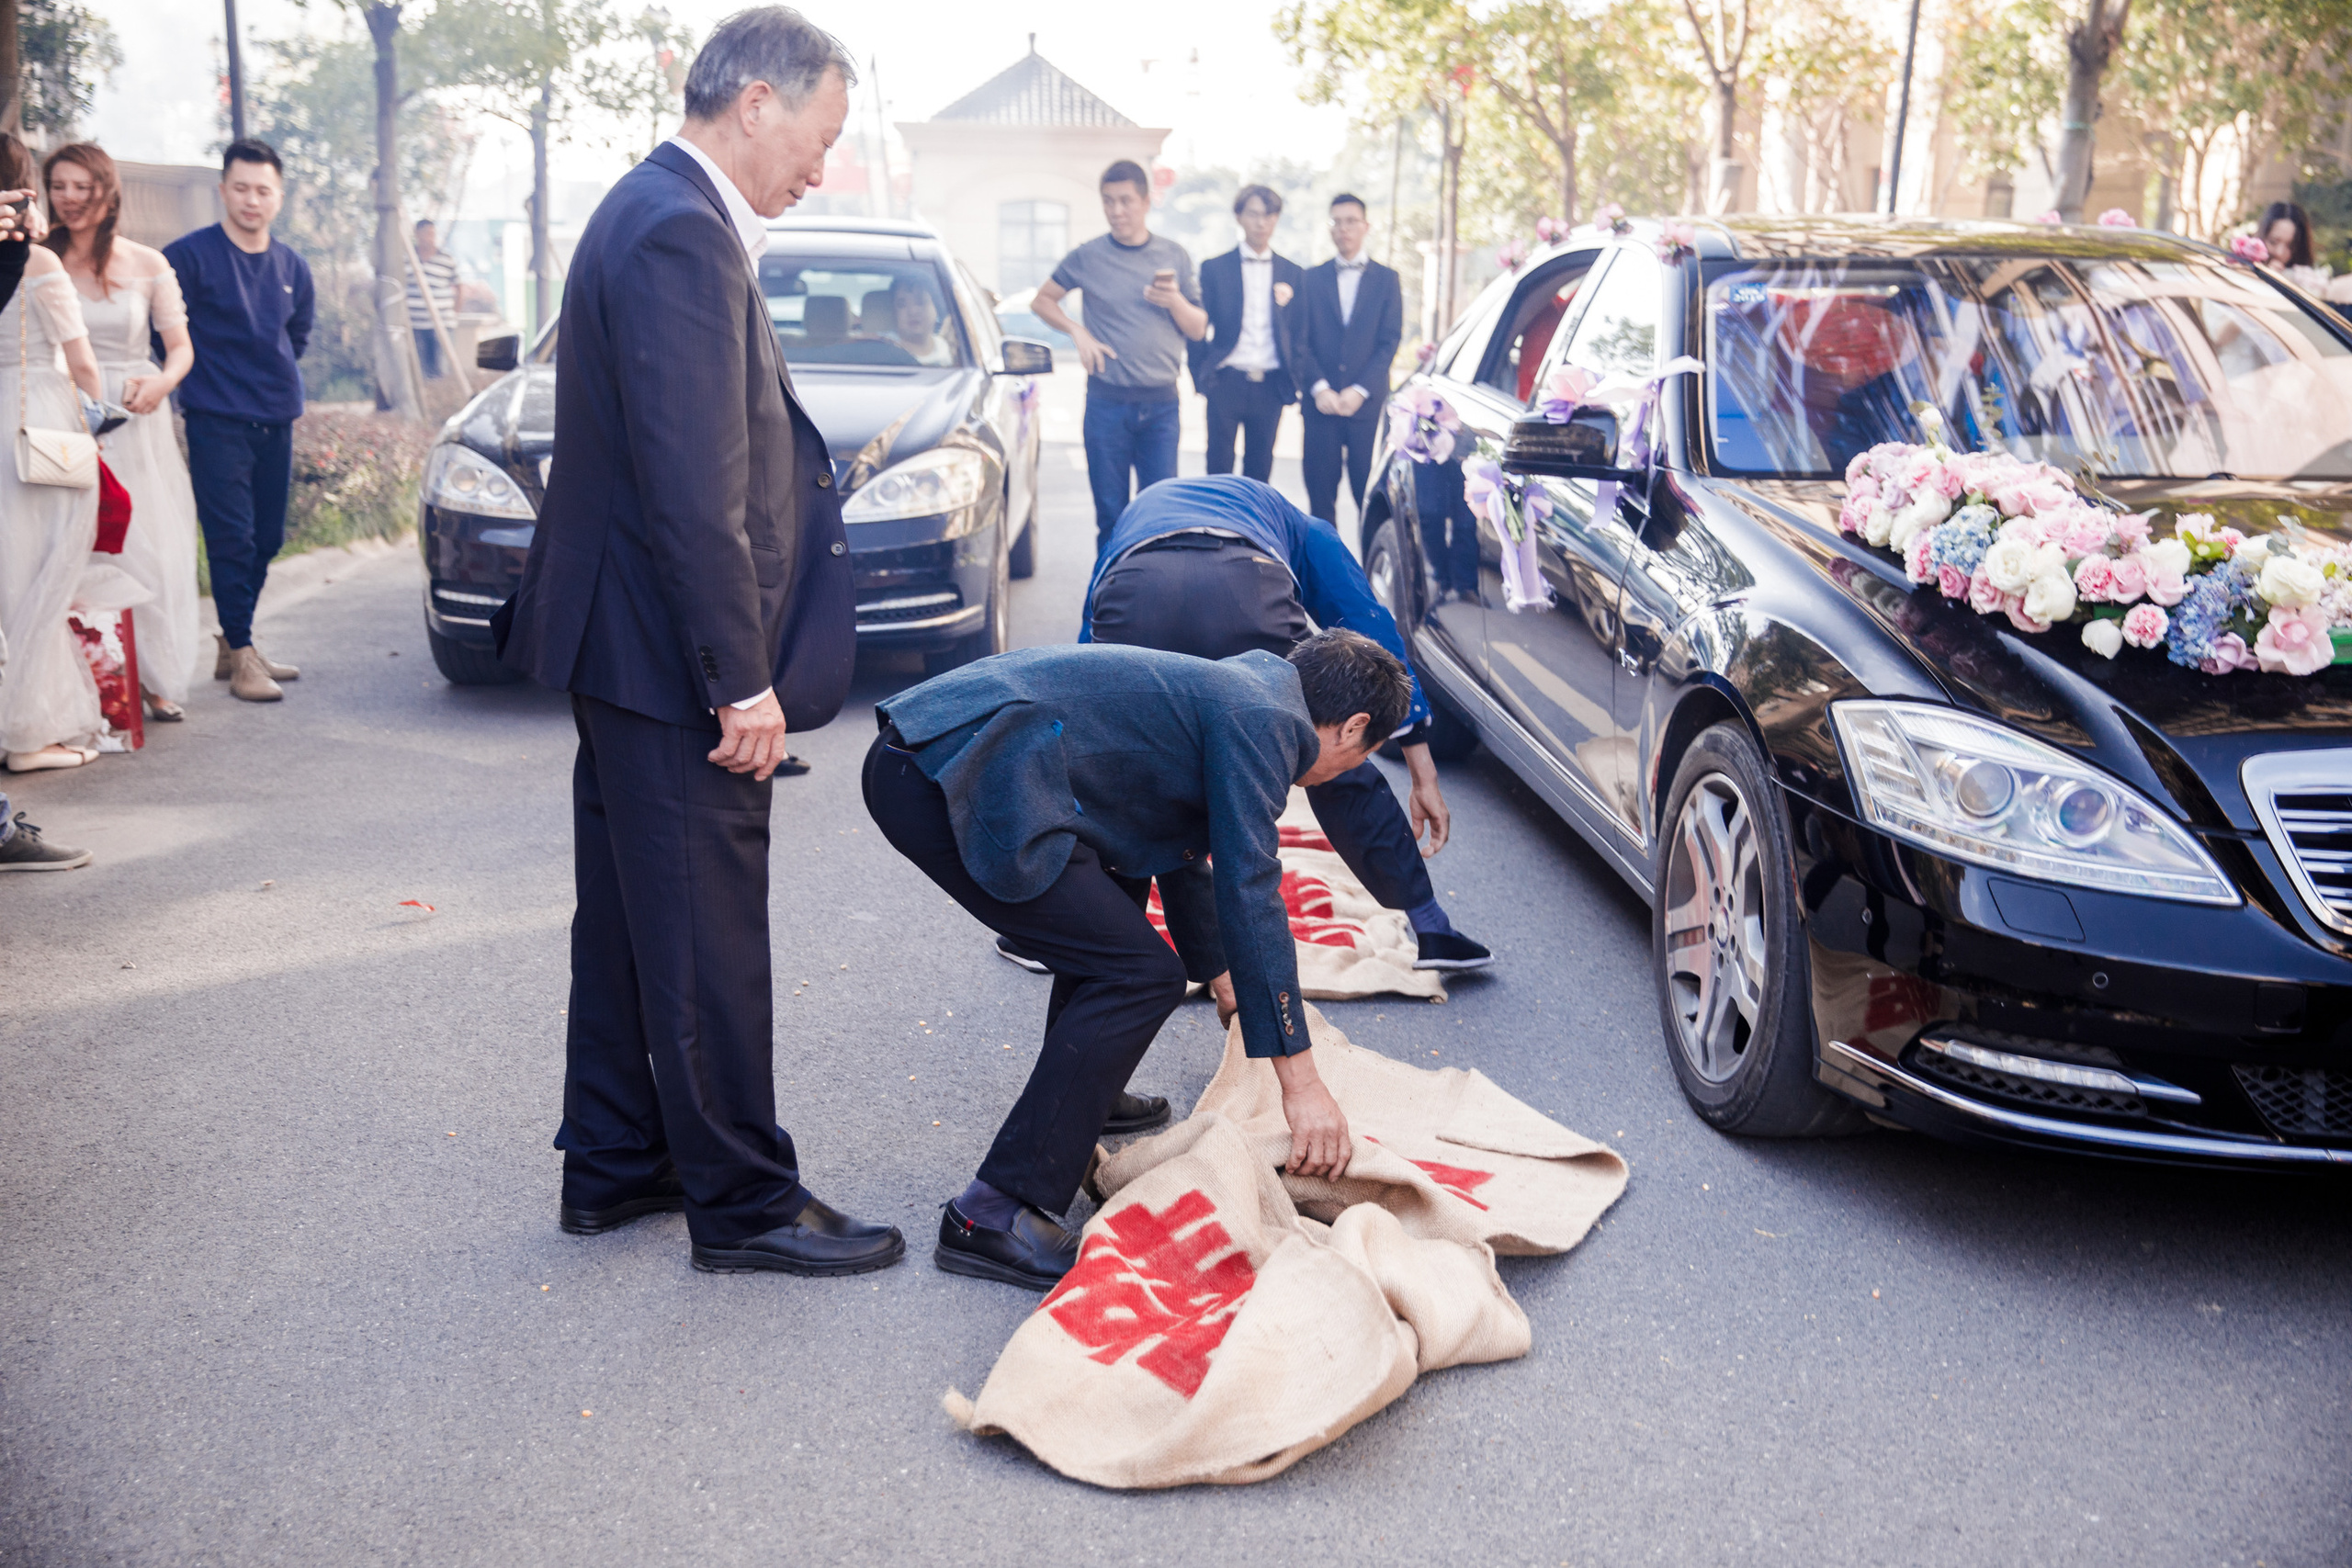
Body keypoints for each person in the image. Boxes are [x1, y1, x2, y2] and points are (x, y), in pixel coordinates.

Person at [496, 6, 892, 1279]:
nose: (820, 170)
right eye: (819, 139)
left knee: (627, 918)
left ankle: (616, 1164)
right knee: (711, 926)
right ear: (757, 102)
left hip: (619, 643)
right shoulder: (679, 227)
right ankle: (745, 1199)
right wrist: (746, 676)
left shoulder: (655, 210)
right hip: (670, 658)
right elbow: (691, 488)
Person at [865, 630, 1408, 1288]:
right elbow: (1251, 884)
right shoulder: (1266, 722)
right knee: (1141, 973)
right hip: (947, 771)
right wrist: (1303, 1083)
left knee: (1120, 904)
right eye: (1362, 757)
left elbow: (1184, 851)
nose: (1346, 773)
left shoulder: (1251, 687)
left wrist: (1223, 969)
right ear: (1353, 726)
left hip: (946, 751)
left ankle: (1085, 1095)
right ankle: (993, 1212)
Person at [1077, 473, 1495, 971]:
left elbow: (1087, 629)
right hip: (1246, 588)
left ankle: (1071, 928)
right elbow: (1369, 633)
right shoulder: (1304, 527)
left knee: (1117, 762)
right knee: (1320, 737)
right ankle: (1432, 928)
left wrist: (1087, 717)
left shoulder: (1140, 511)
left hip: (1138, 588)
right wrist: (1421, 766)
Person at [44, 142, 202, 725]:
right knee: (70, 543)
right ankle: (87, 679)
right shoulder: (38, 259)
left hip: (137, 418)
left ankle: (158, 678)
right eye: (59, 186)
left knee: (147, 545)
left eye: (83, 186)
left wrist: (162, 383)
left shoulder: (149, 262)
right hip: (62, 412)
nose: (71, 198)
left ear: (107, 192)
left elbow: (181, 348)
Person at [163, 140, 313, 705]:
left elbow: (295, 335)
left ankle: (235, 641)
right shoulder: (189, 258)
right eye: (242, 188)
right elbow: (164, 330)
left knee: (268, 537)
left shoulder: (292, 266)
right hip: (215, 418)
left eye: (264, 190)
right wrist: (200, 384)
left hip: (276, 415)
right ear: (223, 190)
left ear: (278, 197)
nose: (252, 200)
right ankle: (244, 655)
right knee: (232, 539)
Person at [0, 132, 110, 774]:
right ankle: (27, 734)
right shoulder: (38, 264)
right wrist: (94, 428)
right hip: (39, 423)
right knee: (39, 578)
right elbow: (83, 363)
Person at [1029, 160, 1205, 549]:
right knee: (1110, 519)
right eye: (1108, 201)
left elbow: (1197, 327)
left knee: (1161, 519)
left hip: (1161, 406)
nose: (1116, 211)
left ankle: (1156, 607)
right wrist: (1078, 331)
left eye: (1126, 201)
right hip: (1107, 404)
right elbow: (1042, 300)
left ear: (1146, 201)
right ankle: (1108, 609)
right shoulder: (1087, 256)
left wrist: (1174, 299)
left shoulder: (1173, 255)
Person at [1295, 193, 1402, 536]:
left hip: (1365, 408)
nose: (1343, 229)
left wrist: (1359, 390)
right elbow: (1300, 341)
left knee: (1368, 496)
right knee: (1320, 500)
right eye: (1336, 222)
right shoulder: (1310, 279)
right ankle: (1326, 578)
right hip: (1320, 407)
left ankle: (1371, 576)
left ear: (1365, 226)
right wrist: (1319, 388)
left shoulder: (1388, 280)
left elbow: (1389, 341)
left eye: (1351, 221)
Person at [1191, 184, 1303, 482]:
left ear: (1276, 219)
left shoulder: (1292, 273)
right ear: (1238, 216)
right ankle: (1216, 529)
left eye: (1269, 215)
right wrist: (1200, 376)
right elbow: (1197, 327)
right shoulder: (1214, 268)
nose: (1261, 222)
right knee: (1217, 471)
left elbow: (1300, 332)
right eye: (1253, 214)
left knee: (1259, 476)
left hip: (1269, 386)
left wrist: (1295, 378)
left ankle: (1251, 531)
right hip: (1226, 381)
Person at [406, 219, 460, 379]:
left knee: (441, 367)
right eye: (425, 233)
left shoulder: (446, 259)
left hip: (442, 323)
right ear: (417, 234)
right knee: (419, 368)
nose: (429, 237)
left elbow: (459, 287)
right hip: (415, 323)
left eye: (432, 233)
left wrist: (455, 312)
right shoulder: (406, 258)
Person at [886, 275, 954, 366]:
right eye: (902, 305)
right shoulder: (885, 348)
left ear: (936, 308)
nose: (912, 311)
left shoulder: (945, 348)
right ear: (894, 313)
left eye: (920, 302)